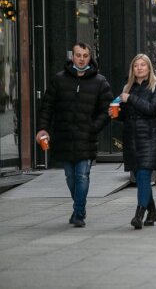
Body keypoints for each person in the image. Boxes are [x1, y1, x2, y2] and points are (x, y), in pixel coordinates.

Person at [36, 42, 113, 227]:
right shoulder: (59, 79)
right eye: (78, 55)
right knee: (70, 177)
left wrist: (93, 127)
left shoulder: (100, 81)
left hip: (86, 138)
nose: (81, 59)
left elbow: (107, 110)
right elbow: (47, 107)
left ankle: (78, 213)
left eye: (85, 55)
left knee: (82, 176)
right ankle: (79, 206)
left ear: (90, 57)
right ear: (72, 57)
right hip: (64, 137)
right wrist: (42, 128)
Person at [111, 54, 156, 229]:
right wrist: (115, 114)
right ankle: (153, 211)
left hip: (151, 136)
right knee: (140, 176)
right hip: (132, 137)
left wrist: (130, 99)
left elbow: (151, 109)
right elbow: (127, 115)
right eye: (136, 65)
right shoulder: (128, 88)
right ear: (132, 69)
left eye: (143, 65)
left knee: (143, 174)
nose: (139, 68)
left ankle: (139, 214)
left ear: (149, 68)